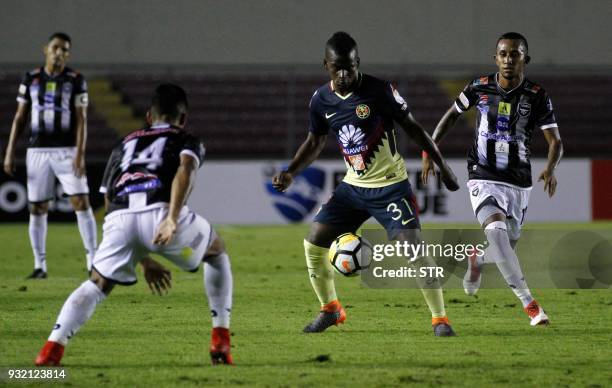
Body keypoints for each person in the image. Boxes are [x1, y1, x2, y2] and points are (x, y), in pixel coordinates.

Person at [273, 31, 460, 336]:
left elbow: (413, 127)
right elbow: (314, 141)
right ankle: (331, 309)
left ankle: (440, 319)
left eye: (350, 66)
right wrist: (291, 171)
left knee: (415, 250)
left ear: (358, 62)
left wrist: (443, 166)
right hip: (353, 188)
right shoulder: (321, 99)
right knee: (313, 243)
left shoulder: (380, 91)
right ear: (326, 66)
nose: (345, 74)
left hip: (391, 187)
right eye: (338, 68)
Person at [35, 84, 234, 366]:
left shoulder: (123, 144)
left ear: (149, 117)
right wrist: (171, 219)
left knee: (96, 284)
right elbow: (185, 170)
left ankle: (50, 352)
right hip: (161, 213)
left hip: (118, 220)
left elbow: (107, 197)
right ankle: (221, 341)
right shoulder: (187, 139)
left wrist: (141, 258)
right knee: (216, 252)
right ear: (184, 118)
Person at [422, 32, 563, 326]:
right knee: (496, 231)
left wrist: (550, 168)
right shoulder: (479, 87)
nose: (509, 59)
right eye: (503, 54)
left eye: (515, 54)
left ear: (526, 59)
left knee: (504, 247)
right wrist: (430, 150)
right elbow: (450, 116)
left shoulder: (537, 95)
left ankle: (476, 259)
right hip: (482, 175)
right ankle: (530, 304)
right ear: (495, 57)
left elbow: (555, 141)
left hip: (519, 181)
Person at [3, 32, 98, 278]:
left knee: (81, 201)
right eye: (56, 47)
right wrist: (10, 151)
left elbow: (82, 120)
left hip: (67, 150)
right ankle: (40, 265)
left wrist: (79, 154)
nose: (60, 53)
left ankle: (93, 261)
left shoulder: (76, 79)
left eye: (65, 50)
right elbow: (20, 117)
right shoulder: (31, 78)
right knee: (37, 207)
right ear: (45, 49)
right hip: (37, 150)